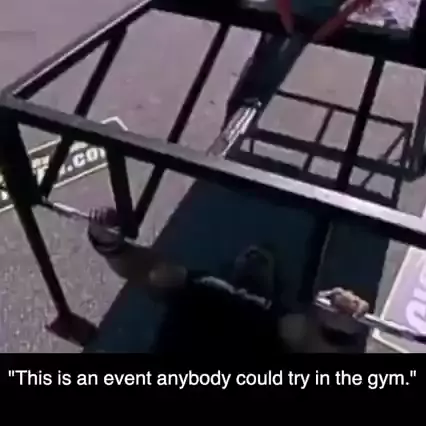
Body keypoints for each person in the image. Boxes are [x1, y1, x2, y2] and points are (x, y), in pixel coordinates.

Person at [88, 207, 370, 354]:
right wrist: (337, 329)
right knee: (293, 329)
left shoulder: (204, 292)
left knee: (166, 278)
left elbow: (144, 272)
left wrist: (110, 243)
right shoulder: (208, 291)